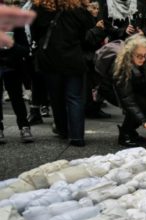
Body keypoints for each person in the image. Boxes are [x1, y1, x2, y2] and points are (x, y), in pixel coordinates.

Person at [32, 0, 96, 147]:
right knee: (75, 98)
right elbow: (87, 32)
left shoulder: (40, 7)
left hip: (49, 58)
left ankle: (62, 130)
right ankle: (77, 136)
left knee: (56, 97)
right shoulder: (77, 8)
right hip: (73, 57)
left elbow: (34, 32)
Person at [112, 35, 146, 146]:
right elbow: (128, 100)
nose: (143, 59)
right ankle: (125, 134)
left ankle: (131, 131)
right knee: (139, 103)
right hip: (113, 91)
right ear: (130, 54)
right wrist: (145, 123)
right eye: (139, 56)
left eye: (145, 56)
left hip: (132, 91)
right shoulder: (123, 68)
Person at [0, 1, 33, 144]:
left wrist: (11, 45)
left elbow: (25, 48)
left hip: (12, 65)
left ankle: (24, 126)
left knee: (16, 98)